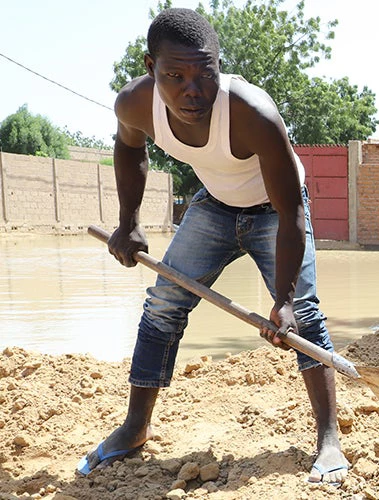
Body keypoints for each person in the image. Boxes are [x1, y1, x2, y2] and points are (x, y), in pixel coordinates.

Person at [76, 8, 349, 485]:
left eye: (205, 74)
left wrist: (281, 301)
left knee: (303, 314)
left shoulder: (252, 113)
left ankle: (329, 439)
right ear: (149, 67)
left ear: (220, 66)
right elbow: (129, 148)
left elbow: (292, 214)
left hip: (274, 209)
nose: (193, 91)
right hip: (216, 205)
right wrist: (129, 224)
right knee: (162, 303)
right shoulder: (134, 105)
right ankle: (134, 428)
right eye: (175, 76)